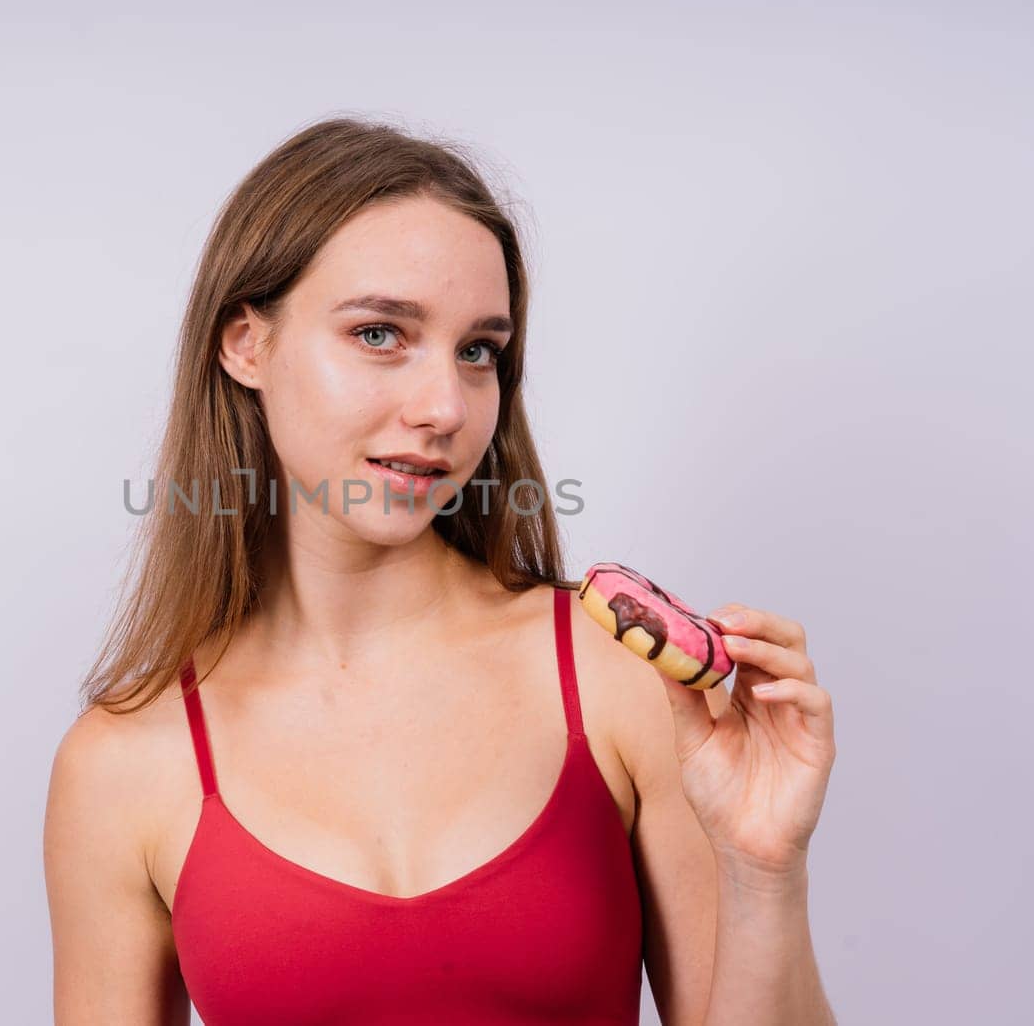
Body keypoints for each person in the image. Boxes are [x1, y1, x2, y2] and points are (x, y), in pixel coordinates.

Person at [43, 116, 838, 1025]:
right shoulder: (122, 764)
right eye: (381, 333)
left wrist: (763, 873)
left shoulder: (621, 680)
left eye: (478, 351)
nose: (444, 407)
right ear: (245, 344)